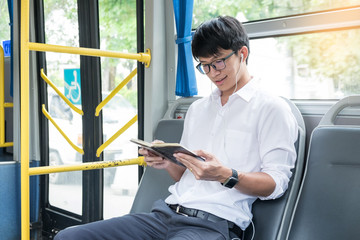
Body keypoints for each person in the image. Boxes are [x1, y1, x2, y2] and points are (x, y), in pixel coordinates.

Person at [54, 16, 298, 240]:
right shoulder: (198, 109)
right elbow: (189, 176)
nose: (213, 73)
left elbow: (276, 183)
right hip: (164, 216)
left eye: (219, 62)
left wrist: (225, 174)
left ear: (242, 53)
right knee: (69, 237)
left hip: (215, 225)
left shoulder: (271, 108)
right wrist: (169, 162)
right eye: (204, 66)